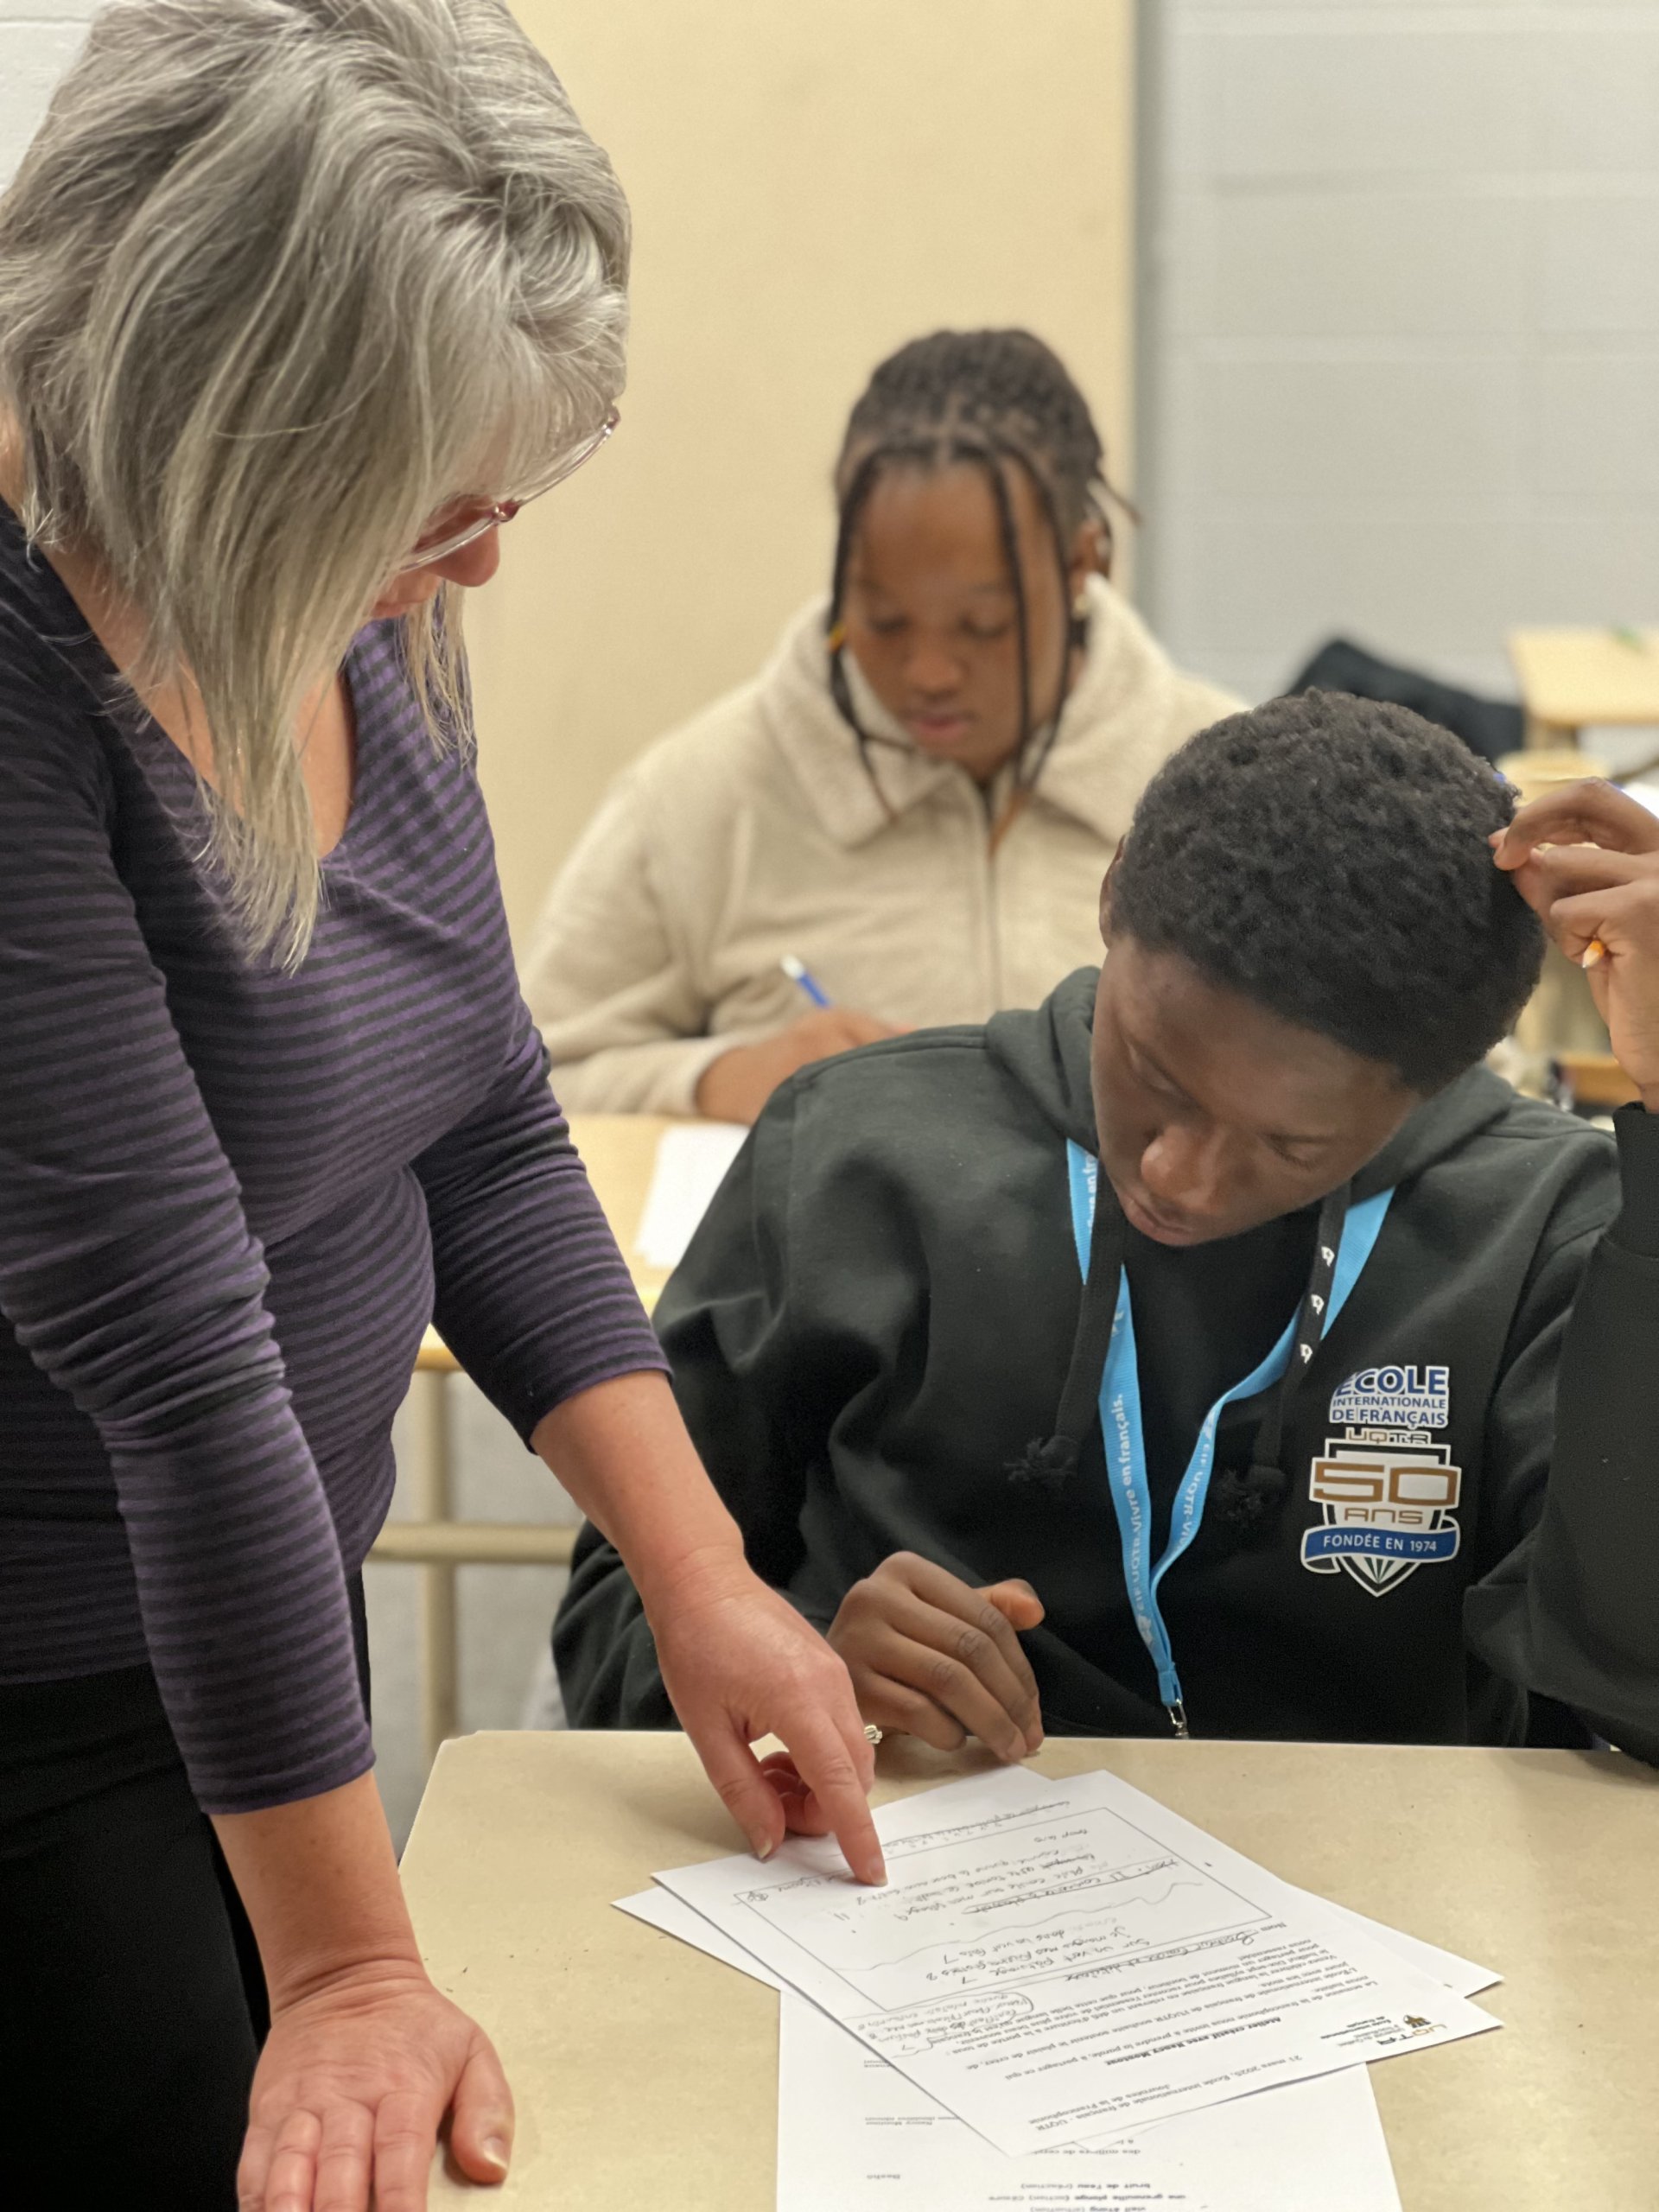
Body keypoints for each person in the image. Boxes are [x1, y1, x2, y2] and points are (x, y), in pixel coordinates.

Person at [0, 8, 880, 2210]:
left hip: (250, 1636)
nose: (481, 566)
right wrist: (354, 1964)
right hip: (45, 1700)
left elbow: (481, 1117)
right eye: (441, 502)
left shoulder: (344, 594)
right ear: (230, 430)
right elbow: (175, 1357)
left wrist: (700, 1574)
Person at [556, 694, 1659, 1773]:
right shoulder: (856, 1155)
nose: (1178, 1174)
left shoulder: (1544, 1232)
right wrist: (804, 1676)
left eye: (1287, 1144)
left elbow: (1635, 1693)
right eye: (1149, 1072)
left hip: (1395, 1881)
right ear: (1110, 890)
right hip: (917, 1866)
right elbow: (617, 1615)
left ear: (1437, 1086)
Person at [521, 327, 1238, 1123]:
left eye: (983, 626)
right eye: (884, 619)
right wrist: (719, 1078)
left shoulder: (1227, 790)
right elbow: (528, 1084)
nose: (928, 672)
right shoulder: (699, 796)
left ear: (1080, 565)